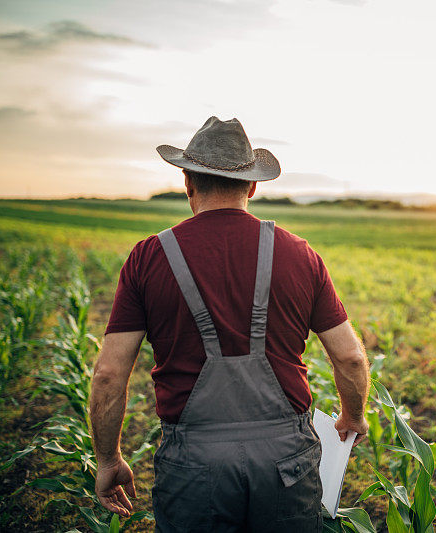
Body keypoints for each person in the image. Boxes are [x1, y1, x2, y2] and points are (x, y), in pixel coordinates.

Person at [88, 116, 370, 531]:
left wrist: (109, 459)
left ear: (187, 182)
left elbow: (109, 375)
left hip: (193, 463)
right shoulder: (299, 254)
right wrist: (353, 416)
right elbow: (349, 358)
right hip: (286, 463)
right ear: (252, 186)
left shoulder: (148, 257)